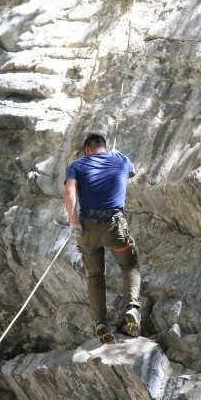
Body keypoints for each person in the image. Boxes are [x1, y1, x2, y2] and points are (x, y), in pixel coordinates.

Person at [63, 133, 142, 344]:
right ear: (105, 148)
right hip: (114, 226)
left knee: (95, 275)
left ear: (86, 150)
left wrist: (73, 220)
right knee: (129, 267)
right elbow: (132, 172)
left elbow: (69, 191)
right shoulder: (121, 160)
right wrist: (117, 155)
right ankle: (132, 308)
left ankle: (100, 323)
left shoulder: (78, 165)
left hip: (87, 228)